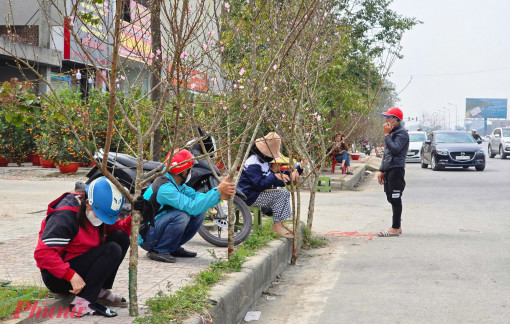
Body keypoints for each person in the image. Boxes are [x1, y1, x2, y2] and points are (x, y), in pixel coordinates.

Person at [34, 176, 131, 318]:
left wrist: (135, 215)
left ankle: (99, 291)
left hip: (82, 264)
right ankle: (83, 302)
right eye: (100, 215)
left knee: (121, 237)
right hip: (58, 276)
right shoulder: (64, 218)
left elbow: (119, 227)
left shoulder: (96, 208)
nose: (101, 220)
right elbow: (43, 254)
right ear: (88, 203)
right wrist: (70, 275)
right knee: (112, 250)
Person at [139, 149, 236, 263]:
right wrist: (217, 191)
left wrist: (217, 195)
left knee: (200, 212)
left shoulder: (177, 183)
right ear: (184, 172)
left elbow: (195, 197)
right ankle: (160, 250)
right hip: (146, 236)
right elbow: (192, 207)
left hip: (155, 228)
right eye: (190, 169)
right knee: (181, 216)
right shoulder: (165, 189)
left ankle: (172, 247)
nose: (191, 172)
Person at [238, 132, 296, 238]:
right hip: (249, 195)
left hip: (257, 193)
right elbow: (260, 184)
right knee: (281, 194)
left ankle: (281, 224)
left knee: (285, 193)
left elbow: (270, 181)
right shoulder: (253, 163)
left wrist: (287, 178)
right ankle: (277, 227)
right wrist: (275, 177)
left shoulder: (263, 162)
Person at [377, 107, 410, 237]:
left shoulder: (402, 134)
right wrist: (381, 170)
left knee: (396, 198)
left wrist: (386, 135)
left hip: (397, 170)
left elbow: (395, 149)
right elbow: (387, 154)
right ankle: (397, 226)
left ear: (396, 120)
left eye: (388, 117)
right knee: (390, 197)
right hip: (389, 169)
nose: (386, 120)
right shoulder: (391, 133)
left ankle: (395, 227)